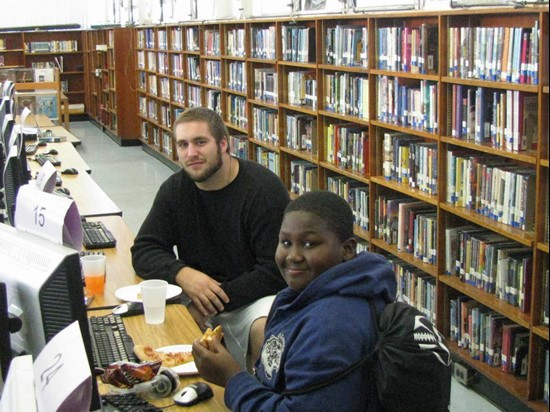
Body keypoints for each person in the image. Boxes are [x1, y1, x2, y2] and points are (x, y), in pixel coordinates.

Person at [192, 190, 397, 411]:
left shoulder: (330, 327)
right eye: (286, 242)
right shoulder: (300, 294)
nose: (293, 256)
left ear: (347, 249)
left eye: (309, 244)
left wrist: (231, 378)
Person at [131, 107, 289, 370]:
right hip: (197, 294)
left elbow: (275, 272)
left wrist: (211, 299)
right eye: (183, 145)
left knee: (267, 326)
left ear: (224, 144)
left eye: (200, 142)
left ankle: (258, 397)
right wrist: (183, 274)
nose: (190, 153)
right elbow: (145, 248)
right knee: (153, 329)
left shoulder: (263, 191)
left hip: (252, 298)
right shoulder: (175, 190)